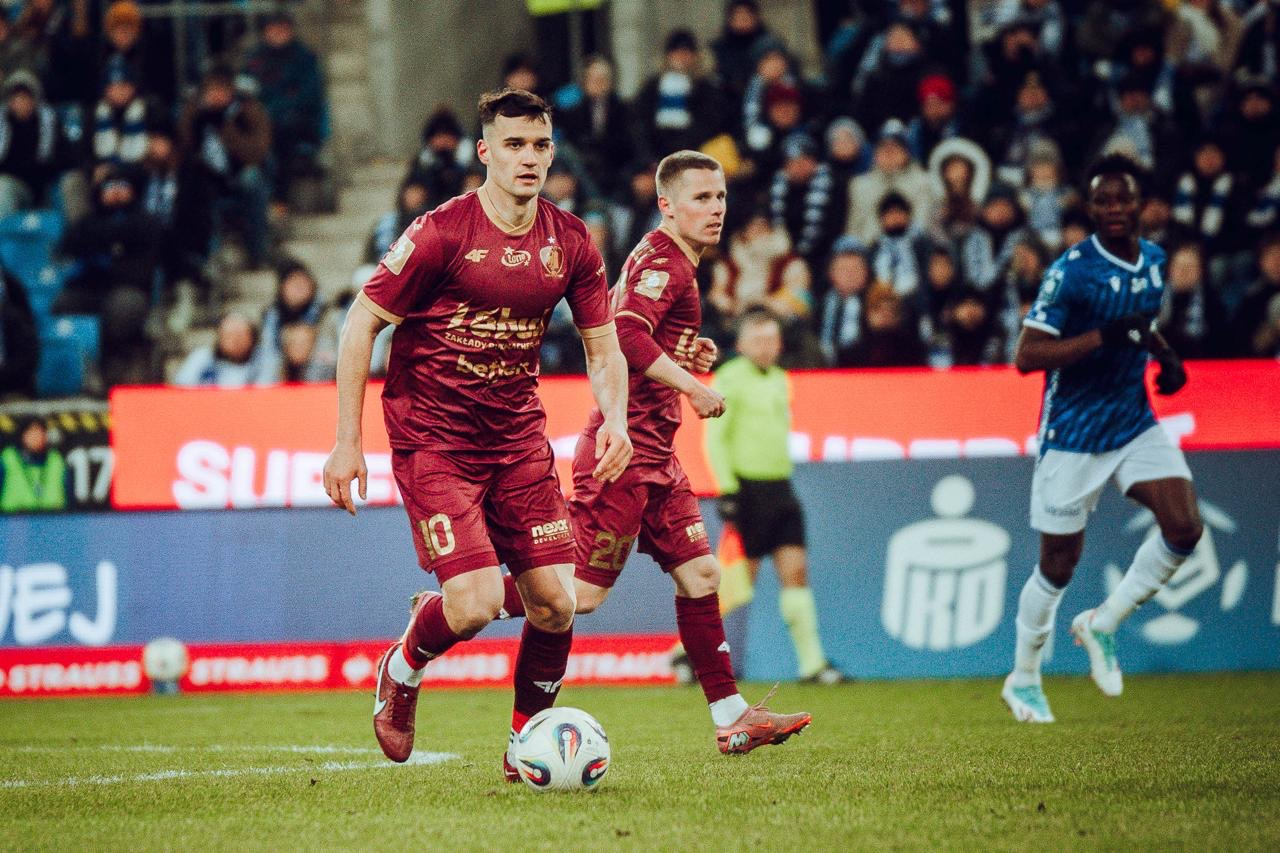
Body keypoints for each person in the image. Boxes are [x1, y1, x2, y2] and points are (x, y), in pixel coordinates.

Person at [320, 89, 632, 770]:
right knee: (475, 604)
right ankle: (402, 667)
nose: (529, 158)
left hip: (516, 441)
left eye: (540, 145)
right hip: (435, 440)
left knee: (557, 602)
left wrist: (617, 417)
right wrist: (348, 441)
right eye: (514, 145)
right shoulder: (441, 232)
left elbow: (603, 347)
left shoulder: (571, 241)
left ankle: (525, 746)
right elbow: (361, 323)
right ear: (485, 152)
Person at [497, 150, 811, 758]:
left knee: (702, 574)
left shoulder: (672, 262)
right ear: (666, 204)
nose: (716, 209)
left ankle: (731, 717)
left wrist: (684, 354)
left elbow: (639, 335)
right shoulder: (665, 261)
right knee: (581, 596)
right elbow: (623, 332)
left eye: (720, 197)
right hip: (623, 451)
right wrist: (693, 385)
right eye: (701, 198)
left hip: (658, 455)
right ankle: (464, 603)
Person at [1003, 154, 1201, 724]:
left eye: (1123, 199)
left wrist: (1166, 358)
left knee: (1185, 526)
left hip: (1133, 421)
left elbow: (1140, 325)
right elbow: (1027, 356)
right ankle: (1024, 678)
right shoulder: (1072, 271)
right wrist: (1101, 337)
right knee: (1058, 566)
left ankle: (1103, 622)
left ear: (1142, 206)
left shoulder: (1155, 261)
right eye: (1102, 200)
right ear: (1090, 209)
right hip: (1073, 433)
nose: (1114, 208)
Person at [705, 309, 843, 684]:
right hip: (747, 490)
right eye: (758, 340)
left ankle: (813, 665)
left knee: (796, 573)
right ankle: (687, 652)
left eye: (772, 340)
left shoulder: (782, 379)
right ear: (741, 344)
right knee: (737, 583)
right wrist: (727, 488)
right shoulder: (729, 378)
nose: (766, 347)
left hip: (781, 488)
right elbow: (716, 438)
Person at [0, 416, 67, 513]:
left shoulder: (56, 460)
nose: (37, 436)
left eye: (41, 432)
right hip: (13, 518)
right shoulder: (8, 458)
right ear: (23, 435)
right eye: (32, 432)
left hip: (53, 518)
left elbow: (68, 492)